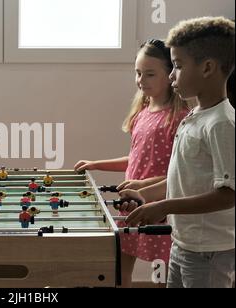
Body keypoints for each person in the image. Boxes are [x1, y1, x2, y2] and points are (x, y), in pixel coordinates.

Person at [122, 17, 235, 288]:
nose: (172, 75)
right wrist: (145, 196)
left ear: (207, 67)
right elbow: (180, 178)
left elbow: (228, 194)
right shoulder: (194, 115)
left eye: (179, 66)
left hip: (209, 250)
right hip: (183, 241)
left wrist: (164, 206)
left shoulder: (222, 123)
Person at [74, 39, 189, 287]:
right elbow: (135, 158)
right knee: (121, 264)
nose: (141, 80)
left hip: (160, 207)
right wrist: (96, 164)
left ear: (170, 74)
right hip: (130, 202)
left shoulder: (179, 117)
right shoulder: (142, 112)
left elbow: (180, 171)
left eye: (149, 74)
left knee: (163, 271)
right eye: (138, 73)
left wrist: (143, 183)